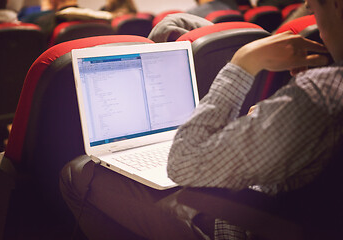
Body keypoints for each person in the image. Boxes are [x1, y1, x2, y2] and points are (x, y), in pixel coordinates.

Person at [60, 0, 343, 239]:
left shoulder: (321, 93)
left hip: (240, 221)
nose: (312, 18)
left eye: (315, 10)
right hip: (291, 209)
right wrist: (276, 116)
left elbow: (182, 164)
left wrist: (243, 62)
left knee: (75, 172)